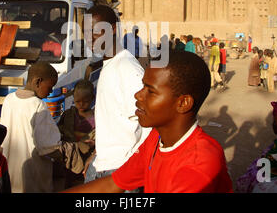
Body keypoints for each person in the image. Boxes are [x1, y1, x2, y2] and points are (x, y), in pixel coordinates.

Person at [63, 51, 233, 193]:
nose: (138, 95)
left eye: (150, 91)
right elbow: (113, 183)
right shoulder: (156, 139)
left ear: (183, 103)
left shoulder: (199, 163)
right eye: (142, 86)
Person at [83, 5, 151, 190]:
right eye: (85, 32)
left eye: (95, 31)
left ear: (112, 29)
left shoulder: (128, 69)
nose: (89, 38)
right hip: (101, 165)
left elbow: (149, 126)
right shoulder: (108, 64)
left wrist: (130, 170)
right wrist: (97, 154)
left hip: (121, 171)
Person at [0, 61, 60, 193]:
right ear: (38, 82)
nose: (50, 92)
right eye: (50, 87)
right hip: (33, 180)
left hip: (10, 176)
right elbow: (48, 146)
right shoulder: (39, 105)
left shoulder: (8, 100)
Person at [57, 79, 96, 188]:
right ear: (73, 98)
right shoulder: (68, 115)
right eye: (78, 101)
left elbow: (100, 136)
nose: (81, 104)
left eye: (85, 101)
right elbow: (60, 131)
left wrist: (94, 143)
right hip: (70, 157)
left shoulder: (96, 117)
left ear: (92, 99)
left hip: (88, 156)